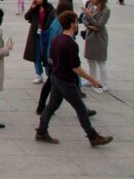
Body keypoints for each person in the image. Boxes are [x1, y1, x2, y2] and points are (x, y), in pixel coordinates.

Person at [35, 11, 113, 147]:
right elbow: (76, 68)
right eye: (76, 22)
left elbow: (51, 59)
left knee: (52, 105)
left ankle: (41, 131)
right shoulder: (71, 44)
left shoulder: (57, 39)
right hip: (66, 80)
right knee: (81, 109)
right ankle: (92, 136)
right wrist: (93, 80)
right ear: (72, 24)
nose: (77, 24)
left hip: (55, 77)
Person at [23, 0, 55, 84]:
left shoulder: (50, 8)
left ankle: (49, 74)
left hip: (46, 34)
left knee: (46, 54)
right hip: (35, 34)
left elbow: (53, 20)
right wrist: (32, 8)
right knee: (36, 54)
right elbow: (26, 17)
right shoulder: (35, 8)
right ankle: (38, 74)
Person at [82, 0, 110, 93]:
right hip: (90, 35)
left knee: (101, 61)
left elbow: (100, 25)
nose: (91, 0)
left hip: (99, 37)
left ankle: (104, 83)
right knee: (90, 60)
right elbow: (84, 19)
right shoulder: (90, 6)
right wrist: (89, 25)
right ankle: (91, 80)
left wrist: (89, 17)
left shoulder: (106, 10)